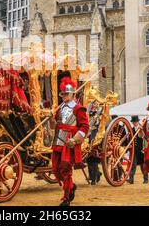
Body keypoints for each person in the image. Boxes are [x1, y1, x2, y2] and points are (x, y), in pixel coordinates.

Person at [50, 77, 89, 206]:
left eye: (66, 94)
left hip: (69, 142)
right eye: (62, 94)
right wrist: (50, 118)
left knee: (65, 168)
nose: (64, 96)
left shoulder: (79, 109)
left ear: (72, 93)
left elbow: (85, 127)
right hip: (58, 141)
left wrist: (75, 139)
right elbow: (55, 125)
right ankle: (71, 186)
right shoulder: (59, 109)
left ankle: (66, 198)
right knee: (56, 169)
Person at [127, 115, 148, 184]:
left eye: (136, 121)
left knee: (143, 166)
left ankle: (145, 179)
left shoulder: (141, 128)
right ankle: (131, 179)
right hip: (134, 150)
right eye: (133, 122)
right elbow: (129, 139)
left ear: (138, 121)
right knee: (133, 165)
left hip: (141, 150)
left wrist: (141, 130)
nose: (134, 123)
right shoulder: (131, 129)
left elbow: (142, 136)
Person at [86, 100, 102, 185]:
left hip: (95, 133)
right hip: (88, 132)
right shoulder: (90, 111)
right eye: (93, 103)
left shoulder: (99, 111)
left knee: (93, 160)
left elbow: (98, 123)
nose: (95, 105)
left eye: (96, 103)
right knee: (89, 161)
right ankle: (94, 175)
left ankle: (94, 178)